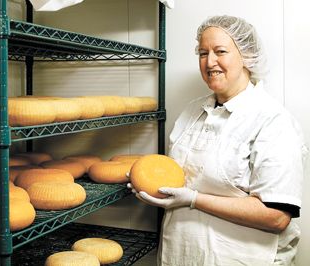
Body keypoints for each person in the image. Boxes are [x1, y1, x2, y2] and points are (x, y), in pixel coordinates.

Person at [128, 15, 308, 265]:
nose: (209, 61)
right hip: (180, 254)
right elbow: (179, 178)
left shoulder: (272, 121)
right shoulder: (191, 112)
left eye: (220, 51)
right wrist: (151, 185)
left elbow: (276, 216)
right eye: (203, 53)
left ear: (246, 56)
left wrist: (193, 199)